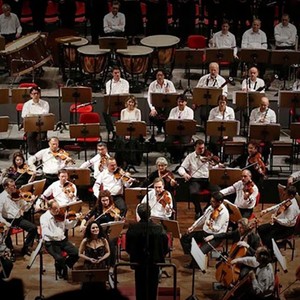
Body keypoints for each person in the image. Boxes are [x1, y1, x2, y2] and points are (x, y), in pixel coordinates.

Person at [126, 202, 169, 300]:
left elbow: (128, 247)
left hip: (138, 262)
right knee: (153, 287)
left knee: (140, 287)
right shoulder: (158, 228)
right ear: (150, 213)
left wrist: (134, 255)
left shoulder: (133, 228)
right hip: (154, 262)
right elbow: (165, 246)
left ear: (138, 214)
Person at [80, 190, 123, 279]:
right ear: (100, 200)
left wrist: (116, 219)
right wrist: (82, 224)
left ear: (109, 200)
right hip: (97, 232)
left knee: (110, 242)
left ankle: (111, 265)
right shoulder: (97, 208)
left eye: (107, 200)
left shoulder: (114, 208)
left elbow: (118, 223)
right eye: (103, 200)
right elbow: (87, 217)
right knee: (91, 237)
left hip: (109, 232)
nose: (105, 202)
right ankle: (92, 261)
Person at [180, 191, 229, 268]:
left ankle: (194, 264)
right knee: (185, 237)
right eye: (211, 201)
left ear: (219, 202)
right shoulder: (211, 208)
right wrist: (193, 227)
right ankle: (192, 256)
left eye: (213, 202)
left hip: (215, 237)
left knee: (200, 252)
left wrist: (211, 226)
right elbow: (202, 218)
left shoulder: (224, 213)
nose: (211, 203)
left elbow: (217, 229)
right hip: (205, 232)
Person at [178, 139, 221, 219]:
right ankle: (198, 210)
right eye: (199, 148)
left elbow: (214, 167)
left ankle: (207, 208)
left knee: (218, 191)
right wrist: (184, 174)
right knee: (193, 193)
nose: (202, 150)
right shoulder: (190, 157)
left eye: (203, 148)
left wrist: (216, 165)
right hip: (195, 180)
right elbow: (181, 168)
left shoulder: (208, 156)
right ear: (195, 147)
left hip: (207, 180)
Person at [40, 199, 79, 280]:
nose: (58, 210)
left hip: (62, 240)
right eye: (55, 209)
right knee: (59, 258)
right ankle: (62, 268)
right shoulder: (44, 217)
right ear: (49, 209)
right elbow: (45, 231)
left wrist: (75, 221)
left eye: (58, 207)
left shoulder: (61, 214)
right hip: (51, 242)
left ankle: (65, 266)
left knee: (76, 253)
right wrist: (54, 236)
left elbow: (68, 226)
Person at [0, 178, 38, 259]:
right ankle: (10, 251)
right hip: (7, 219)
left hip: (18, 218)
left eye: (14, 185)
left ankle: (25, 248)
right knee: (6, 232)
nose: (15, 187)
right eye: (12, 186)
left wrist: (31, 201)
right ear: (6, 187)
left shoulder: (18, 194)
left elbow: (26, 208)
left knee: (33, 228)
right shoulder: (1, 197)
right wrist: (5, 223)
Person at [258, 185, 299, 253]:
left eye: (285, 194)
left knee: (268, 238)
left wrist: (276, 219)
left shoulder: (293, 208)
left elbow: (287, 222)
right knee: (260, 229)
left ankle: (273, 253)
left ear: (291, 196)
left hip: (287, 229)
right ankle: (269, 247)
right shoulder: (289, 200)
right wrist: (266, 210)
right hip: (279, 224)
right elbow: (279, 206)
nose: (283, 195)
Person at [165, 93, 194, 162]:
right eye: (179, 102)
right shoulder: (173, 110)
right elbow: (170, 121)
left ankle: (178, 157)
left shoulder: (190, 111)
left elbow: (188, 123)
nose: (180, 103)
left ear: (186, 102)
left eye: (182, 102)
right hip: (174, 132)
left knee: (183, 143)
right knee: (167, 142)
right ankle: (173, 155)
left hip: (185, 133)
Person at [21, 86, 50, 155]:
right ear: (31, 95)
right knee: (30, 136)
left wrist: (32, 115)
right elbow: (24, 115)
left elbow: (44, 114)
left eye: (37, 93)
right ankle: (33, 154)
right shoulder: (27, 104)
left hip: (42, 126)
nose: (36, 95)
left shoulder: (45, 103)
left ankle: (39, 154)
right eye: (34, 94)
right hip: (31, 125)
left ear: (39, 94)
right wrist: (36, 116)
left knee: (40, 138)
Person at [147, 68, 176, 134]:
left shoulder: (169, 83)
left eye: (161, 75)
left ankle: (164, 128)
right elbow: (149, 97)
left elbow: (174, 96)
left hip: (168, 106)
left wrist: (169, 93)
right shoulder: (152, 85)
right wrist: (152, 109)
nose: (159, 77)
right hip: (157, 106)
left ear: (164, 76)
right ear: (156, 76)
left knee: (168, 114)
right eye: (158, 75)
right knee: (152, 116)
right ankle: (160, 127)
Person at [249, 96, 277, 164]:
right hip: (256, 135)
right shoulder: (254, 111)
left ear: (268, 105)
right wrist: (258, 121)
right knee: (254, 143)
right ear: (259, 104)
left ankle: (264, 160)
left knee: (267, 145)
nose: (263, 107)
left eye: (265, 105)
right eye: (262, 105)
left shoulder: (272, 113)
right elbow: (251, 123)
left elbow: (274, 126)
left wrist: (266, 124)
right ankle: (254, 159)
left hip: (267, 136)